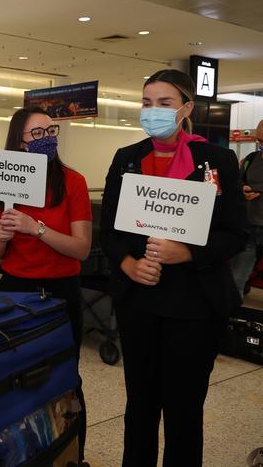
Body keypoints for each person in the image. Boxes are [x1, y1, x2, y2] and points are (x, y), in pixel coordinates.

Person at [99, 69, 248, 467]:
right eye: (147, 103)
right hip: (139, 301)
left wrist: (189, 253)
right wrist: (129, 265)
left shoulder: (216, 160)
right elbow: (109, 232)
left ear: (186, 108)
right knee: (140, 405)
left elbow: (237, 233)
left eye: (164, 104)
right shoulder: (126, 159)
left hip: (195, 305)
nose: (153, 111)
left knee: (184, 410)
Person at [0, 106, 92, 465]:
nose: (47, 138)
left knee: (65, 380)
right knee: (11, 382)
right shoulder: (5, 181)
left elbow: (81, 248)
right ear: (19, 141)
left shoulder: (73, 181)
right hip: (15, 290)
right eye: (37, 134)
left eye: (51, 131)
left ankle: (72, 455)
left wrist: (38, 229)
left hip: (61, 292)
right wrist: (1, 235)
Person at [231, 119, 263, 297]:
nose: (260, 144)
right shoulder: (251, 159)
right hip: (249, 226)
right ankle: (233, 316)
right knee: (237, 278)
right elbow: (237, 182)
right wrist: (242, 190)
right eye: (259, 140)